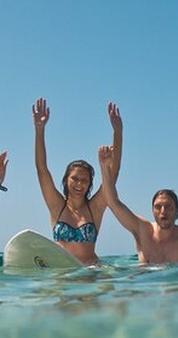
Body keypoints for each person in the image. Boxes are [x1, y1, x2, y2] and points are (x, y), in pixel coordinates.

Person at [33, 97, 122, 265]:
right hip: (62, 272)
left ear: (90, 184)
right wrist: (39, 129)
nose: (79, 184)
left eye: (84, 180)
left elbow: (114, 173)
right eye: (74, 179)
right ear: (66, 180)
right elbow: (42, 170)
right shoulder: (56, 206)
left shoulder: (94, 208)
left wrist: (118, 132)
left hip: (90, 272)